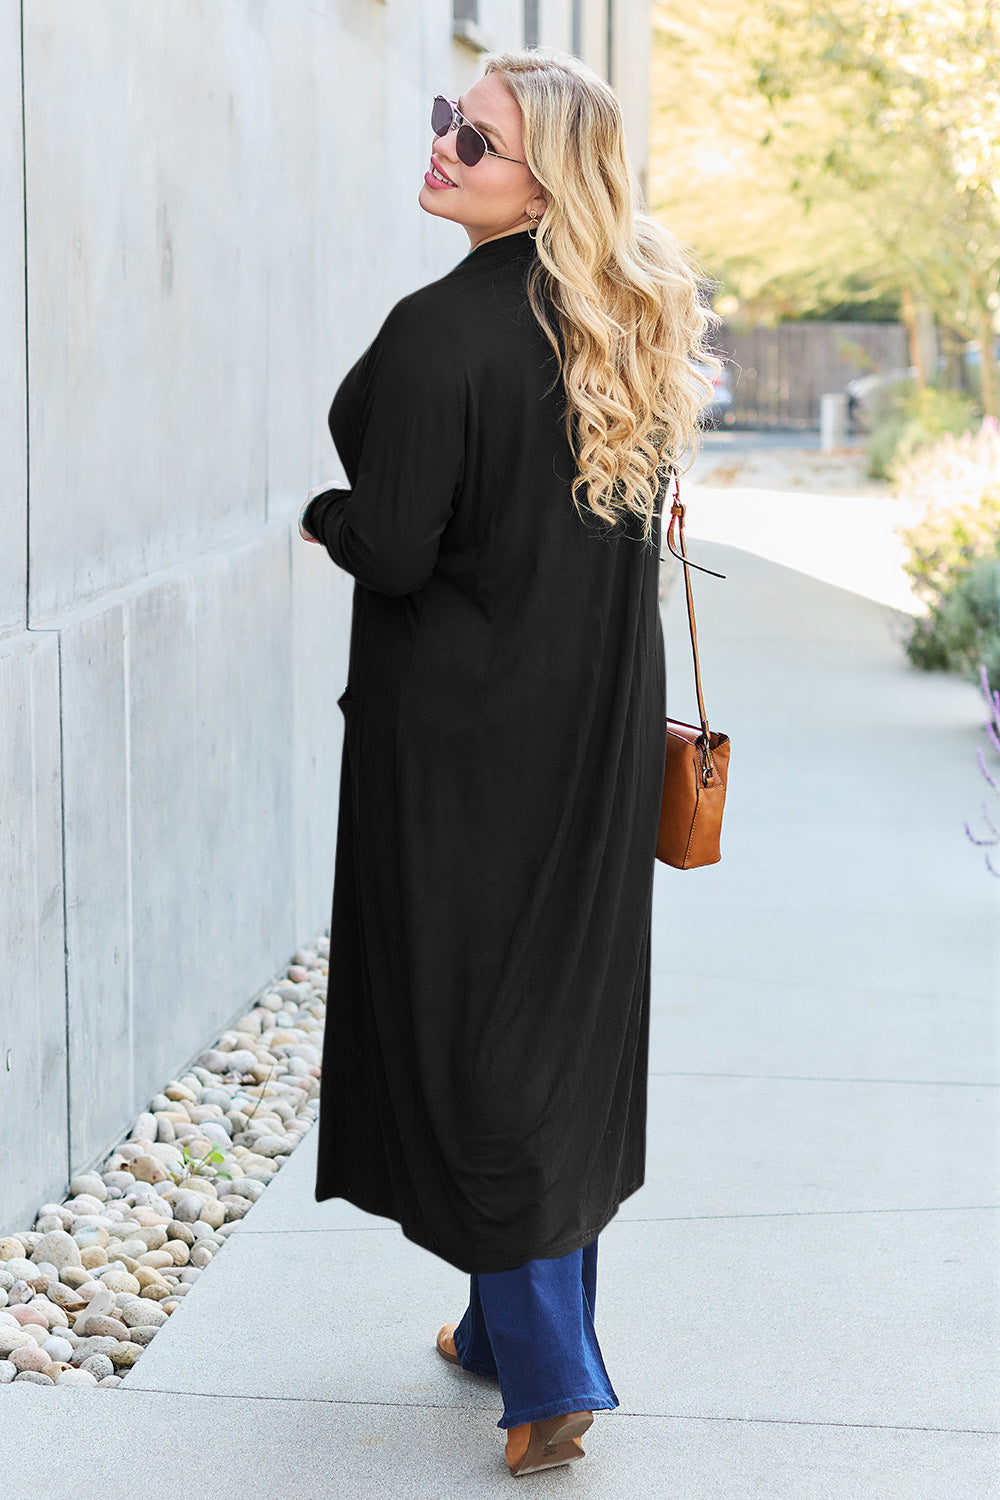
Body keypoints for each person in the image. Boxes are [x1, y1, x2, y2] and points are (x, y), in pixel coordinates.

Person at [299, 46, 717, 1478]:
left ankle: (547, 1376)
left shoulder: (440, 331)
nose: (441, 150)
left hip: (467, 743)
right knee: (554, 1019)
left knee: (476, 1034)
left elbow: (402, 546)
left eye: (472, 142)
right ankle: (498, 1329)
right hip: (592, 731)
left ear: (547, 181)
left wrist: (326, 518)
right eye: (445, 124)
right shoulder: (626, 320)